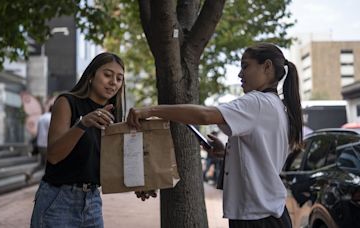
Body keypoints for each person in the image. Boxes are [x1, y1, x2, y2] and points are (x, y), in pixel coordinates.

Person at [127, 43, 302, 228]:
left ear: (267, 66)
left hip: (257, 217)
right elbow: (262, 157)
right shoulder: (276, 105)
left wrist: (151, 110)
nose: (240, 74)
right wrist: (227, 153)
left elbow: (205, 115)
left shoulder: (257, 102)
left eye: (245, 66)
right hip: (266, 214)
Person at [30, 52, 125, 228]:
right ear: (91, 76)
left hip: (92, 200)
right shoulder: (67, 102)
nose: (114, 82)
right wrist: (82, 124)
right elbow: (54, 156)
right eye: (107, 75)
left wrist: (142, 183)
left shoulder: (113, 115)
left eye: (119, 79)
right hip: (58, 199)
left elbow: (111, 165)